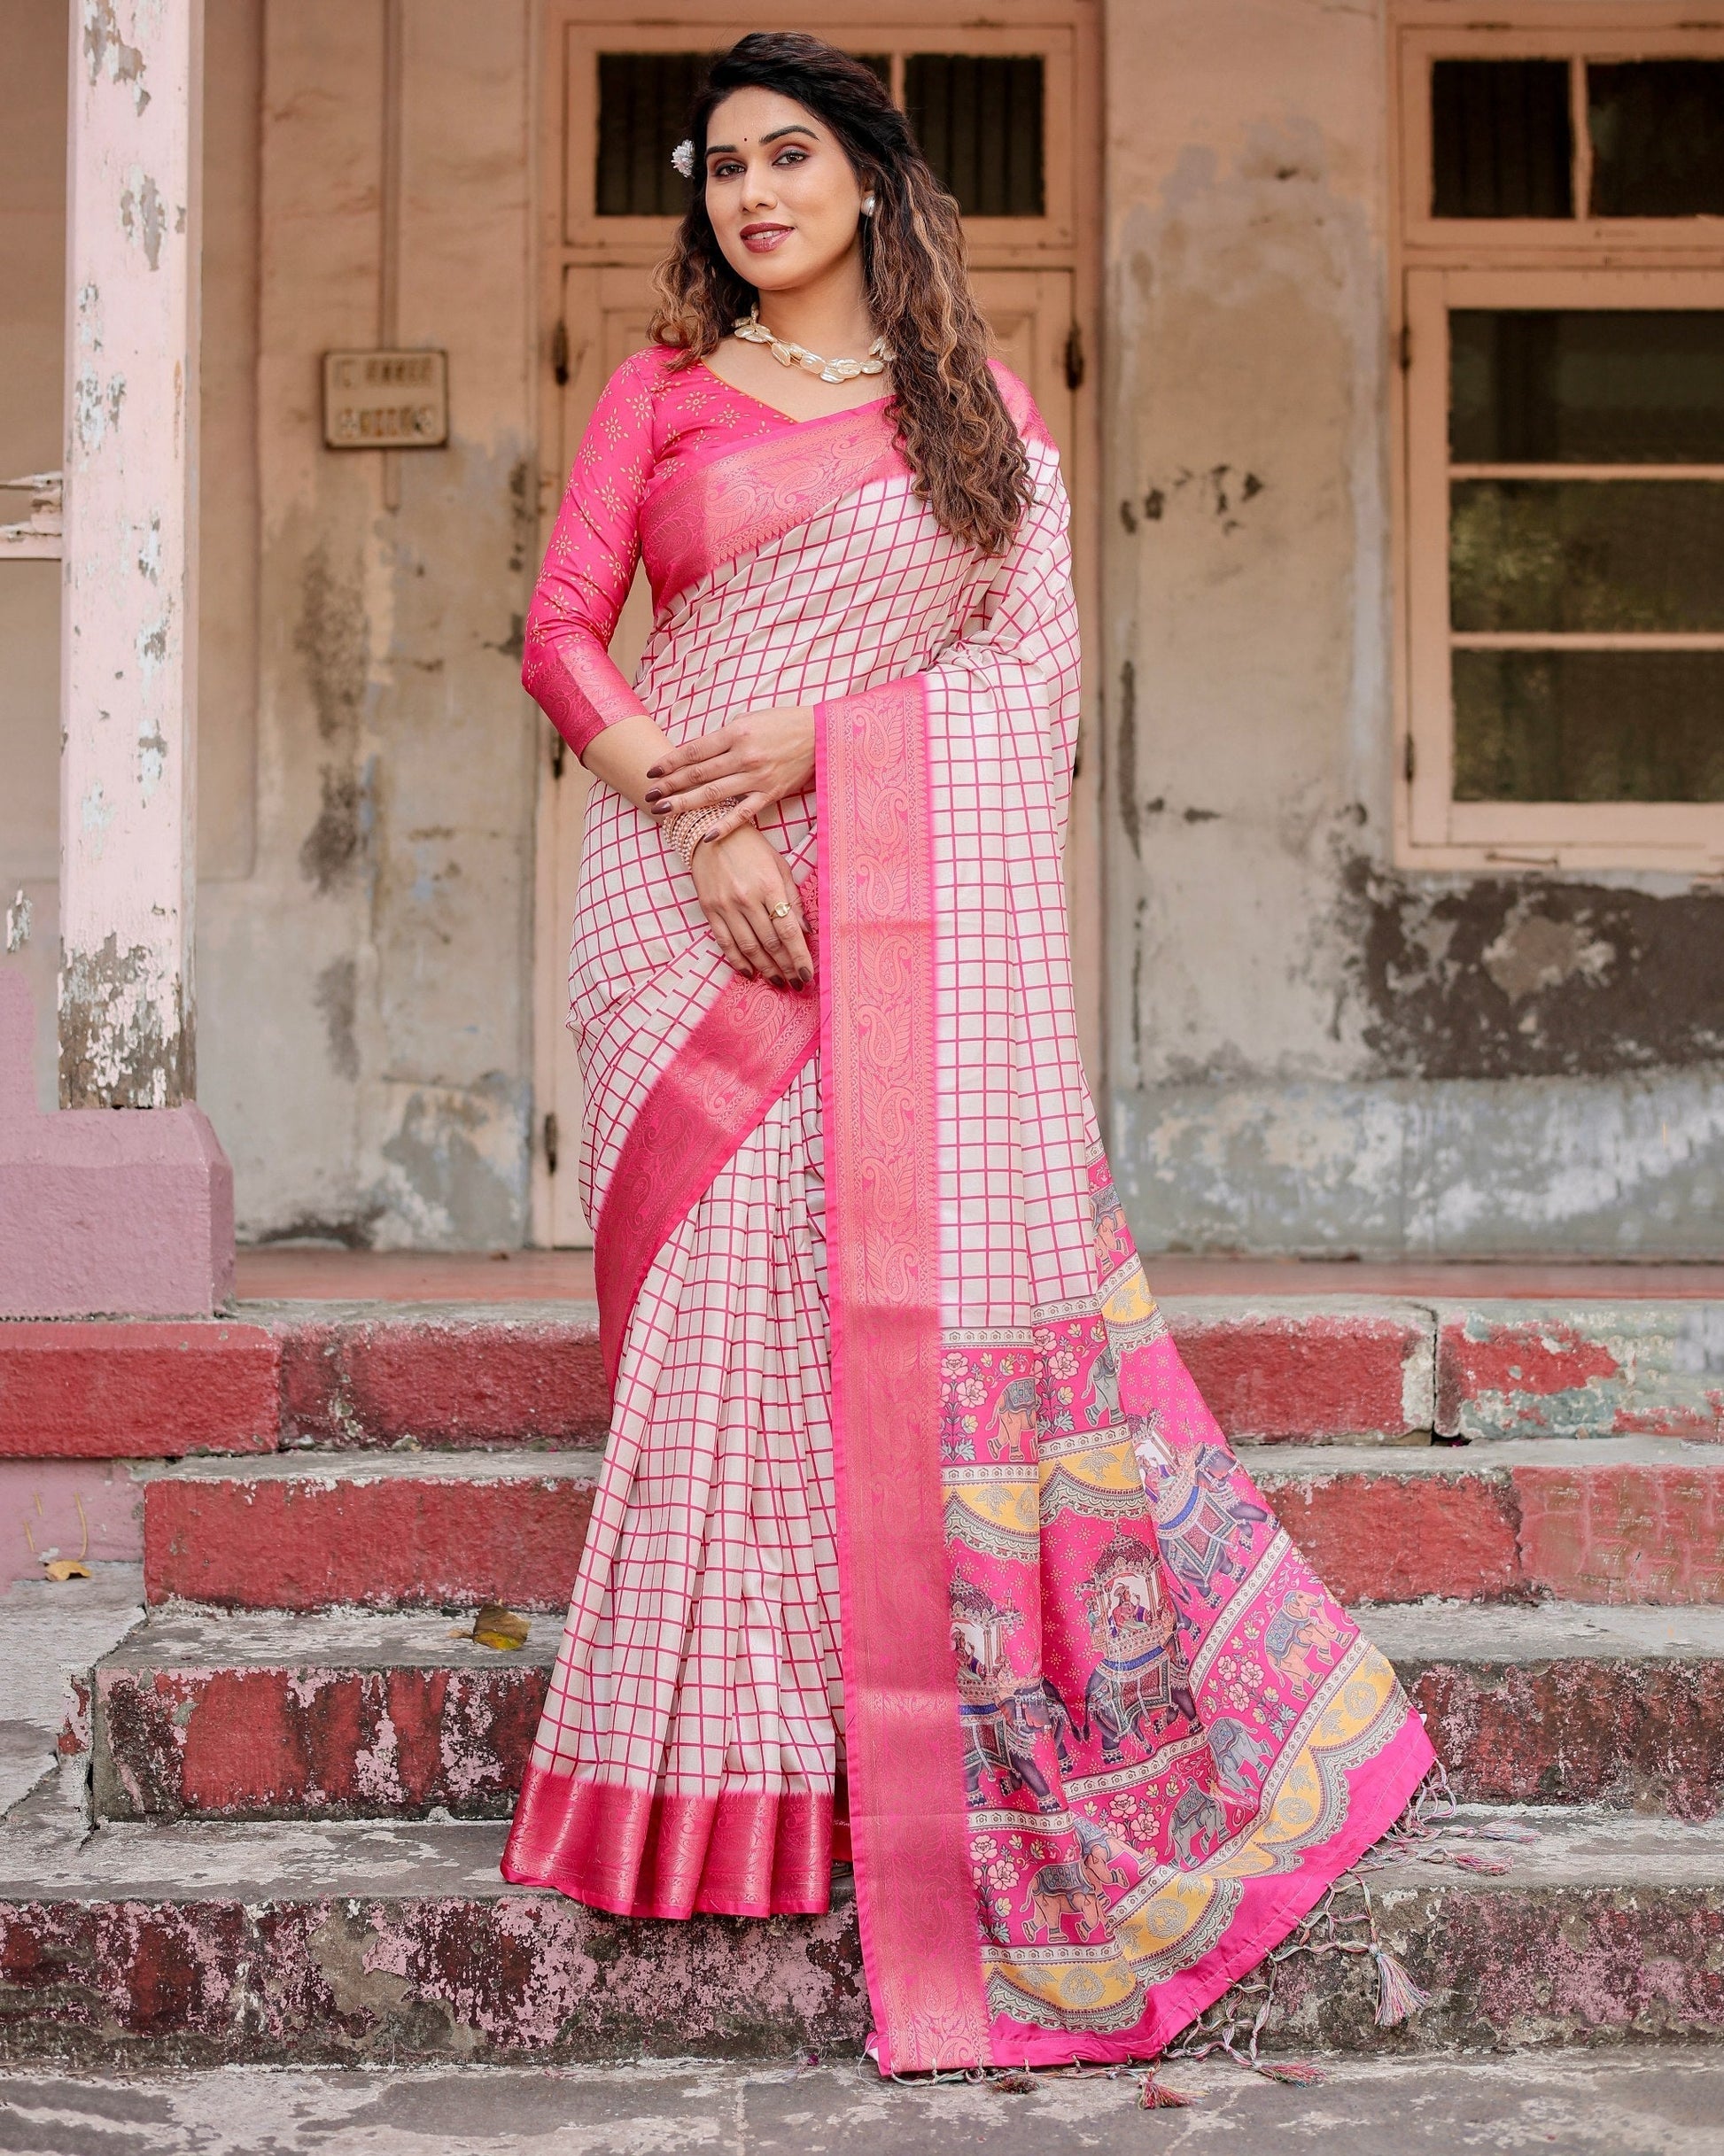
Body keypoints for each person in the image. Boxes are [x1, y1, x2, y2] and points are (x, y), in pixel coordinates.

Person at [504, 30, 1434, 2073]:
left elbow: (1023, 684)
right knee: (722, 1324)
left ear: (868, 180)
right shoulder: (656, 391)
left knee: (874, 1320)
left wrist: (833, 768)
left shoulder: (976, 419)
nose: (750, 194)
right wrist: (702, 804)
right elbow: (562, 634)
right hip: (679, 900)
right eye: (721, 165)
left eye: (788, 157)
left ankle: (881, 1764)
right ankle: (708, 1787)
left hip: (892, 909)